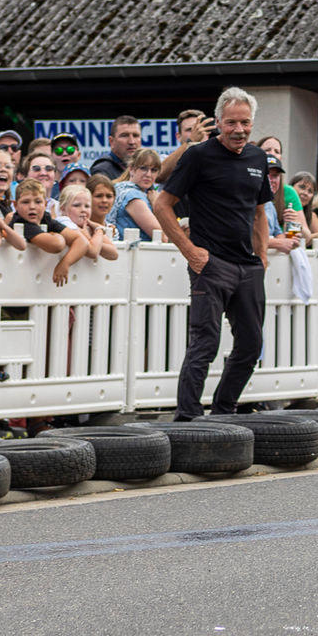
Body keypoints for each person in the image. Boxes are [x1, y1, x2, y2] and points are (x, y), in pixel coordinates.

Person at [153, 88, 270, 419]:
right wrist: (190, 251)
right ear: (218, 122)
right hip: (210, 262)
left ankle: (223, 410)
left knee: (250, 345)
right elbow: (162, 204)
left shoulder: (258, 158)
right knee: (206, 344)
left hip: (248, 266)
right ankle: (188, 417)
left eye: (245, 123)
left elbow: (259, 211)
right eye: (231, 122)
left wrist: (262, 255)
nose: (238, 130)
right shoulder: (198, 155)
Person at [110, 149, 160, 241]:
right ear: (131, 169)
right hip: (134, 253)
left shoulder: (121, 188)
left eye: (154, 170)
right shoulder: (132, 196)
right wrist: (157, 205)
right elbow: (162, 237)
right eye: (143, 168)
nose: (148, 174)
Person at [88, 115, 142, 181]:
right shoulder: (102, 170)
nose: (132, 142)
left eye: (136, 136)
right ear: (111, 141)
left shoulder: (144, 168)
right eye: (124, 136)